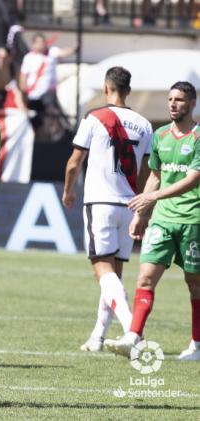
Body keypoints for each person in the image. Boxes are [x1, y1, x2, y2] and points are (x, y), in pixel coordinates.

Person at [105, 81, 200, 361]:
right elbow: (155, 176)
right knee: (145, 278)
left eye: (180, 100)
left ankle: (197, 344)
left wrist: (152, 197)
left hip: (192, 219)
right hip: (162, 219)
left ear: (192, 103)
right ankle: (134, 336)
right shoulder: (159, 136)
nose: (173, 104)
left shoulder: (197, 137)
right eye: (170, 99)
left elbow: (192, 179)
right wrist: (141, 213)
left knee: (194, 284)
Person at [62, 67, 153, 352]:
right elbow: (147, 171)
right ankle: (97, 336)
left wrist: (68, 190)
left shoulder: (94, 117)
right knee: (113, 273)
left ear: (106, 88)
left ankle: (132, 331)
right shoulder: (144, 124)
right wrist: (141, 206)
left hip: (100, 202)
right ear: (128, 90)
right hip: (128, 204)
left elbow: (74, 162)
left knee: (102, 271)